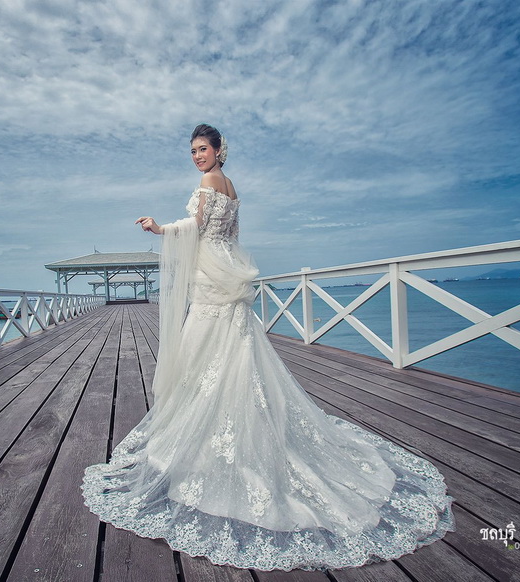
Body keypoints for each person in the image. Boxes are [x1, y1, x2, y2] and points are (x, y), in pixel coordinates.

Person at [81, 124, 455, 571]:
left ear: (220, 150)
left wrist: (160, 228)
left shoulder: (207, 182)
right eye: (193, 152)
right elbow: (226, 236)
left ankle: (213, 439)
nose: (197, 157)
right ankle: (239, 427)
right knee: (234, 355)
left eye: (203, 149)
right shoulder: (232, 187)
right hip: (225, 274)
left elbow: (195, 228)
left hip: (212, 281)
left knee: (209, 354)